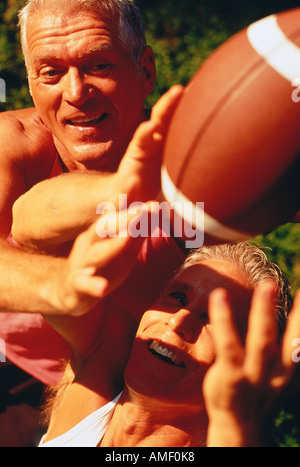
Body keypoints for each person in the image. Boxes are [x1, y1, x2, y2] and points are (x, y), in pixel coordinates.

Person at [0, 0, 186, 388]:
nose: (76, 92)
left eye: (99, 66)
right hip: (21, 369)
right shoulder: (14, 145)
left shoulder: (195, 160)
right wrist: (65, 284)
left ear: (145, 70)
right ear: (31, 85)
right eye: (50, 72)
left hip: (143, 380)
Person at [36, 233, 299, 447]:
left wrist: (242, 429)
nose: (178, 322)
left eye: (216, 320)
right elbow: (33, 238)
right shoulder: (98, 369)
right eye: (178, 297)